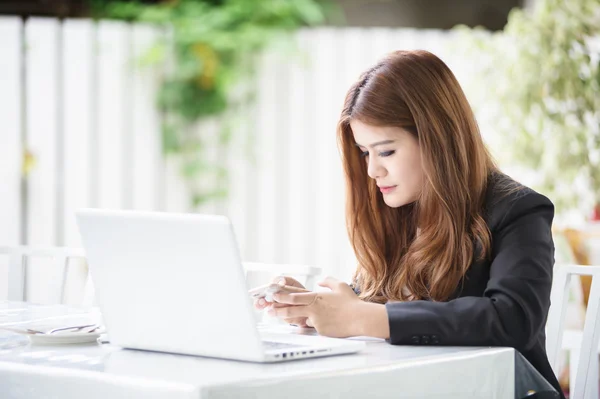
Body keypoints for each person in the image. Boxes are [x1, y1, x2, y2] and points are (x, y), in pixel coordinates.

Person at [254, 50, 562, 396]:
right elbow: (383, 299)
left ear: (438, 140)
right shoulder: (397, 207)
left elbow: (512, 320)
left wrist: (361, 317)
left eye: (386, 151)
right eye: (364, 152)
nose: (372, 171)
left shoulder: (518, 210)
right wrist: (316, 307)